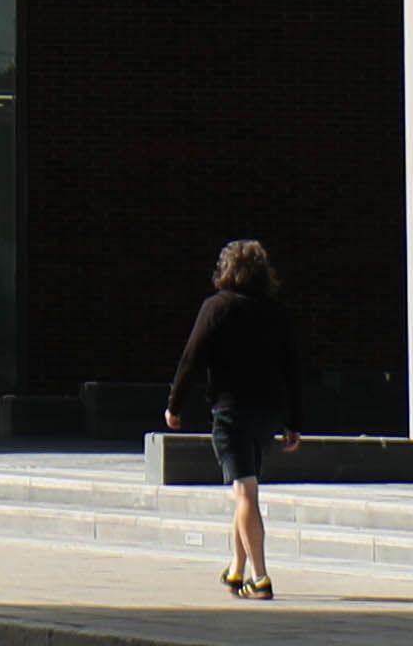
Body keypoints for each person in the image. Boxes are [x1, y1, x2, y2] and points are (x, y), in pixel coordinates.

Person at [165, 238, 301, 601]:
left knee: (245, 493)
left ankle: (260, 577)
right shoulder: (275, 312)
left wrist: (174, 404)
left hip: (231, 412)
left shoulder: (217, 307)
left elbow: (191, 357)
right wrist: (294, 421)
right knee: (245, 489)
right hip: (266, 414)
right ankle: (236, 568)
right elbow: (291, 368)